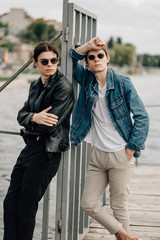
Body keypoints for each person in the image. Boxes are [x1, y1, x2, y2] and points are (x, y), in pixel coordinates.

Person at [69, 37, 149, 240]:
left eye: (100, 56)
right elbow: (71, 57)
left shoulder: (123, 82)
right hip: (97, 154)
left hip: (120, 153)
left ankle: (124, 237)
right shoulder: (86, 79)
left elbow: (142, 116)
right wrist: (87, 47)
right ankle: (123, 234)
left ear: (107, 58)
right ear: (87, 63)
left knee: (118, 205)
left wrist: (131, 148)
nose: (96, 59)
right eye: (91, 57)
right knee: (87, 203)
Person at [3, 41, 74, 240]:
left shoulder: (63, 88)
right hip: (31, 147)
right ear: (35, 63)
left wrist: (30, 122)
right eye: (45, 61)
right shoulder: (35, 85)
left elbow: (49, 125)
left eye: (54, 60)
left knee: (26, 207)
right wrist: (33, 117)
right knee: (10, 203)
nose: (50, 64)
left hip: (47, 151)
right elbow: (22, 113)